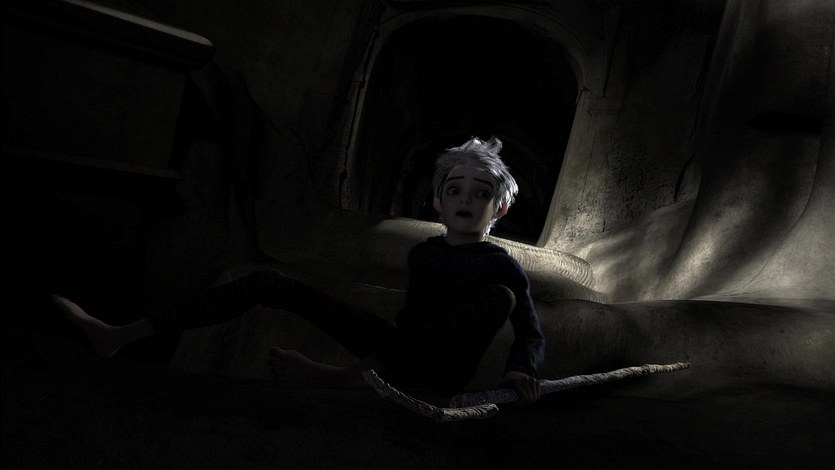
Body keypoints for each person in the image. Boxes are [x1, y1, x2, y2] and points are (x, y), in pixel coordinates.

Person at [52, 136, 545, 405]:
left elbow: (528, 329)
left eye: (481, 193)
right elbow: (411, 327)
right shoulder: (425, 253)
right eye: (455, 190)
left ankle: (339, 378)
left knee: (499, 297)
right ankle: (121, 334)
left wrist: (522, 366)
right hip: (396, 352)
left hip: (436, 375)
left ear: (499, 208)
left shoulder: (500, 266)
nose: (465, 200)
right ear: (437, 201)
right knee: (270, 283)